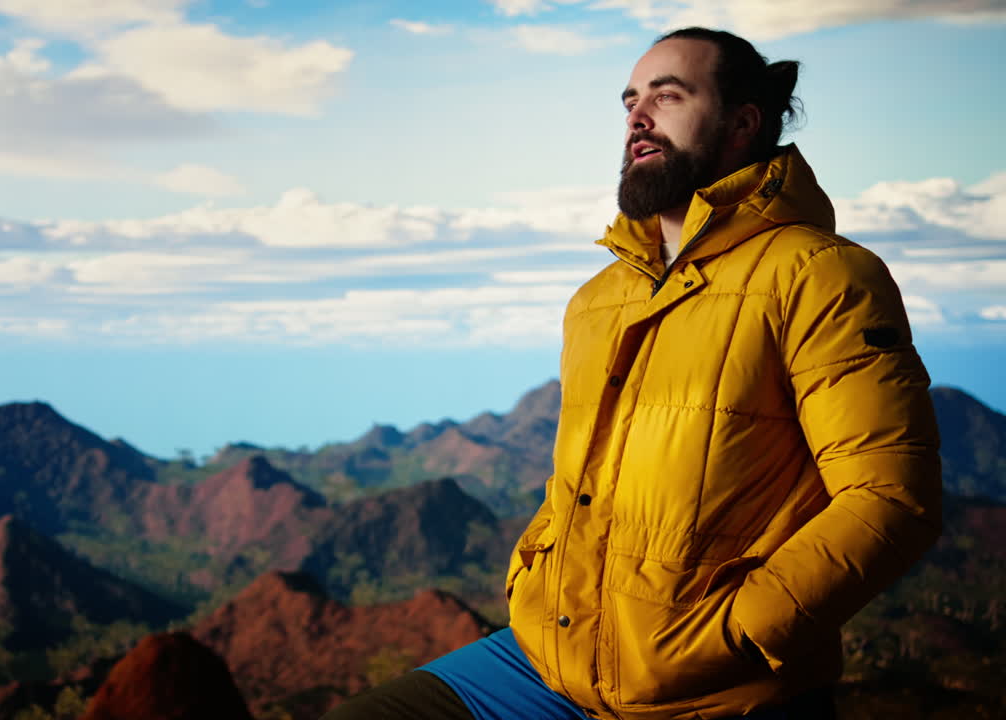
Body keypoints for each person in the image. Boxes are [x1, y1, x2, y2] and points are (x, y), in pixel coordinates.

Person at [322, 26, 942, 720]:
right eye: (629, 102)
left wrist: (735, 634)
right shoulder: (598, 300)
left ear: (744, 123)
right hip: (551, 658)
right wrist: (533, 571)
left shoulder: (819, 274)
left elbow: (891, 499)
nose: (637, 118)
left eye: (668, 96)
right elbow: (577, 488)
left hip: (706, 686)